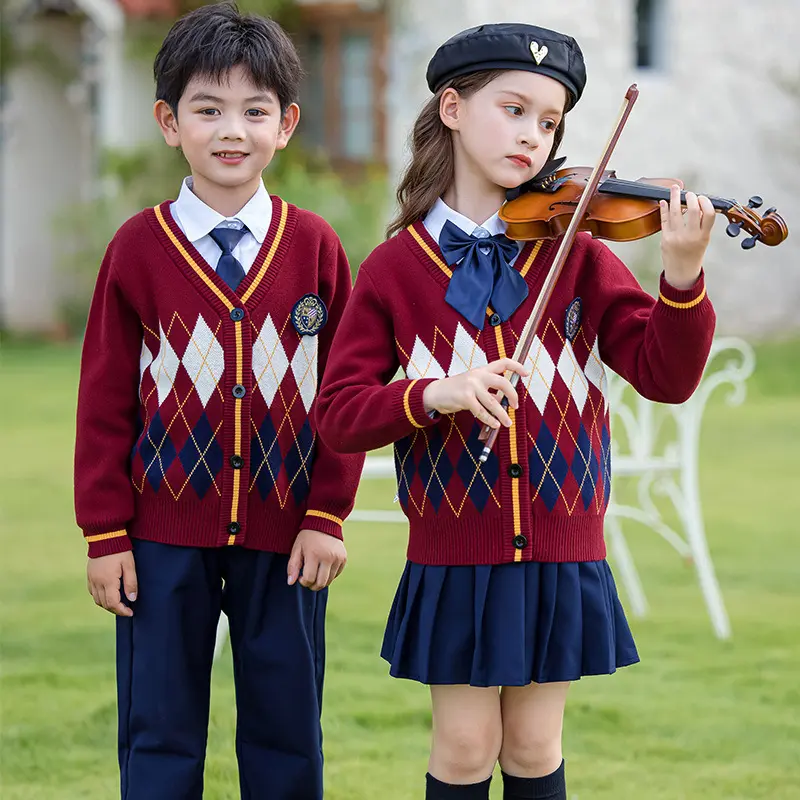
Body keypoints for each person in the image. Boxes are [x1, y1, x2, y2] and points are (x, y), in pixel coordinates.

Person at [316, 22, 716, 800]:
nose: (534, 135)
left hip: (563, 541)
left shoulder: (580, 254)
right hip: (456, 550)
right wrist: (433, 394)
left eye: (551, 121)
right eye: (515, 109)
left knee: (535, 749)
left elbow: (664, 374)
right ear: (455, 108)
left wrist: (681, 274)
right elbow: (338, 413)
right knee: (464, 750)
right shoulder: (397, 269)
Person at [74, 4, 364, 798]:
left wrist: (327, 516)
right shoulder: (137, 248)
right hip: (161, 532)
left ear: (287, 123)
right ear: (170, 122)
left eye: (254, 110)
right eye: (207, 109)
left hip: (289, 534)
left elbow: (342, 395)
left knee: (286, 729)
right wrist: (105, 534)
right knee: (159, 729)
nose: (231, 130)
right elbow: (103, 401)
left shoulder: (315, 248)